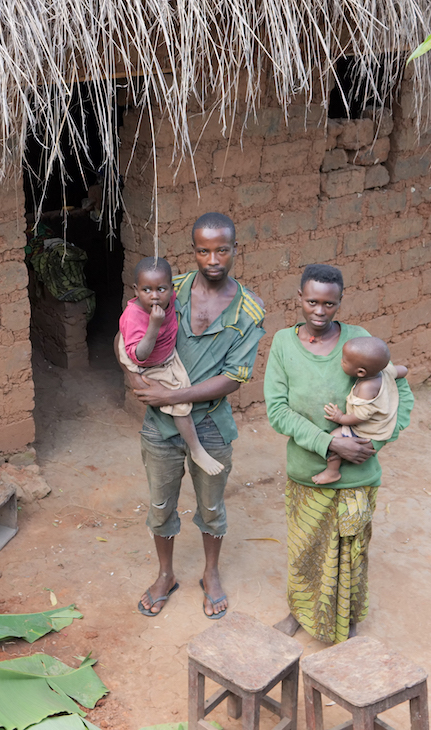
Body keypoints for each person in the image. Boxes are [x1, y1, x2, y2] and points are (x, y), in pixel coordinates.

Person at [119, 213, 265, 619]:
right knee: (161, 504)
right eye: (203, 250)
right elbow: (127, 331)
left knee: (212, 506)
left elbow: (233, 378)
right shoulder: (169, 288)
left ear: (236, 249)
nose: (213, 259)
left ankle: (211, 572)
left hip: (211, 424)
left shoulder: (247, 311)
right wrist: (132, 371)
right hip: (160, 427)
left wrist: (172, 393)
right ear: (194, 251)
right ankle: (165, 574)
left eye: (222, 249)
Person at [263, 264, 413, 643]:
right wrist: (330, 443)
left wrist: (370, 445)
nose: (319, 310)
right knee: (305, 550)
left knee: (352, 552)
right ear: (299, 298)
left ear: (340, 302)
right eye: (312, 301)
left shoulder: (360, 341)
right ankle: (299, 612)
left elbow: (401, 395)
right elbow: (278, 411)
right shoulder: (282, 344)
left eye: (328, 303)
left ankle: (347, 617)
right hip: (306, 471)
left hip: (358, 475)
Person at [117, 256, 224, 476]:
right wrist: (154, 325)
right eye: (147, 290)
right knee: (179, 403)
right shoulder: (135, 316)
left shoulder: (172, 297)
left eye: (161, 289)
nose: (154, 296)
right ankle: (196, 449)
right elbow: (139, 355)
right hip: (147, 361)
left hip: (165, 355)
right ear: (136, 291)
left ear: (171, 289)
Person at [312, 336, 408, 485]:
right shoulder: (386, 371)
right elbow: (402, 370)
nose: (341, 362)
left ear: (361, 372)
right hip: (384, 421)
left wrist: (341, 418)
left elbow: (361, 416)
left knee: (334, 438)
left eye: (344, 361)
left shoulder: (366, 388)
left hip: (369, 429)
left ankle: (332, 472)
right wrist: (404, 370)